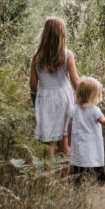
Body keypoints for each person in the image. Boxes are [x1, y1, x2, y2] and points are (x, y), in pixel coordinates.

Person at [29, 16, 80, 163]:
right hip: (63, 97)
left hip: (45, 98)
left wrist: (36, 98)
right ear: (61, 35)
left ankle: (49, 180)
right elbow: (76, 83)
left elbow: (33, 84)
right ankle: (64, 179)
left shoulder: (36, 57)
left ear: (44, 33)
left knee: (48, 143)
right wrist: (83, 100)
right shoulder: (67, 55)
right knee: (64, 142)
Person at [67, 76, 105, 185]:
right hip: (92, 143)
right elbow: (104, 122)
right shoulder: (94, 110)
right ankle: (101, 185)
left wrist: (69, 140)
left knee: (78, 167)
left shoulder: (74, 109)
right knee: (97, 165)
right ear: (93, 95)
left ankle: (76, 187)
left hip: (79, 143)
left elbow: (69, 125)